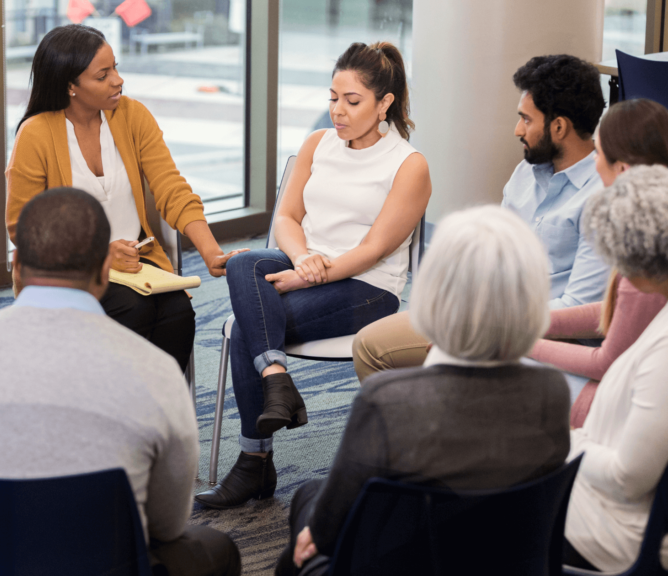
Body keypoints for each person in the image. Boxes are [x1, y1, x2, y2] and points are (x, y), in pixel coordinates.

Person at [0, 188, 241, 576]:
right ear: (105, 271)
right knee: (215, 547)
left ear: (16, 266)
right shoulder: (154, 372)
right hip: (101, 563)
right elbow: (166, 525)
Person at [195, 41, 431, 509]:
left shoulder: (408, 165)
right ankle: (277, 373)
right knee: (244, 262)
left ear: (384, 103)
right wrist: (303, 260)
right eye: (333, 98)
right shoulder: (317, 143)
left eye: (352, 101)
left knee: (247, 328)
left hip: (368, 288)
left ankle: (254, 463)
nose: (337, 111)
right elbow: (286, 219)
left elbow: (375, 248)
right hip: (311, 262)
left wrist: (310, 277)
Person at [277, 205, 571, 576]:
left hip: (405, 562)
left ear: (434, 294)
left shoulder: (389, 399)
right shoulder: (552, 390)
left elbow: (331, 527)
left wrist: (316, 533)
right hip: (501, 560)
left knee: (307, 500)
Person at [352, 54, 611, 383]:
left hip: (548, 335)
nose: (518, 130)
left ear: (558, 127)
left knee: (450, 372)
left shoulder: (603, 200)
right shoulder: (526, 172)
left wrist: (484, 330)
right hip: (489, 314)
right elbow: (492, 260)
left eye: (526, 120)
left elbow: (580, 311)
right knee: (369, 345)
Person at [5, 24, 246, 373]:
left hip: (138, 263)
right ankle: (116, 415)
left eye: (115, 68)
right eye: (103, 75)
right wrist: (99, 255)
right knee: (132, 309)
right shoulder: (36, 134)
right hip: (71, 272)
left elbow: (171, 188)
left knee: (178, 312)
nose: (118, 80)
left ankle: (158, 417)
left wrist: (212, 253)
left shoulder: (132, 115)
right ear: (70, 86)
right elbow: (22, 227)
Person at [528, 98, 668, 427]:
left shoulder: (644, 250)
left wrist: (524, 342)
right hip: (633, 386)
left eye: (599, 154)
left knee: (492, 371)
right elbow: (614, 310)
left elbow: (608, 362)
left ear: (622, 169)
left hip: (622, 406)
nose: (593, 164)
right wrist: (532, 322)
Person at [563, 165, 668, 572]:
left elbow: (628, 478)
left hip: (611, 532)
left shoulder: (663, 354)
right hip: (603, 500)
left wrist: (567, 442)